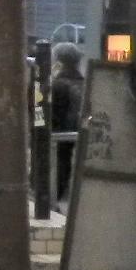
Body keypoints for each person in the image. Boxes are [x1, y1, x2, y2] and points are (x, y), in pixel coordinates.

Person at [48, 42, 85, 205]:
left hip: (57, 139)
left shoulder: (55, 85)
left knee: (59, 168)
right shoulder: (85, 84)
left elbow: (38, 115)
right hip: (79, 141)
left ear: (59, 62)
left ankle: (54, 201)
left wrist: (37, 132)